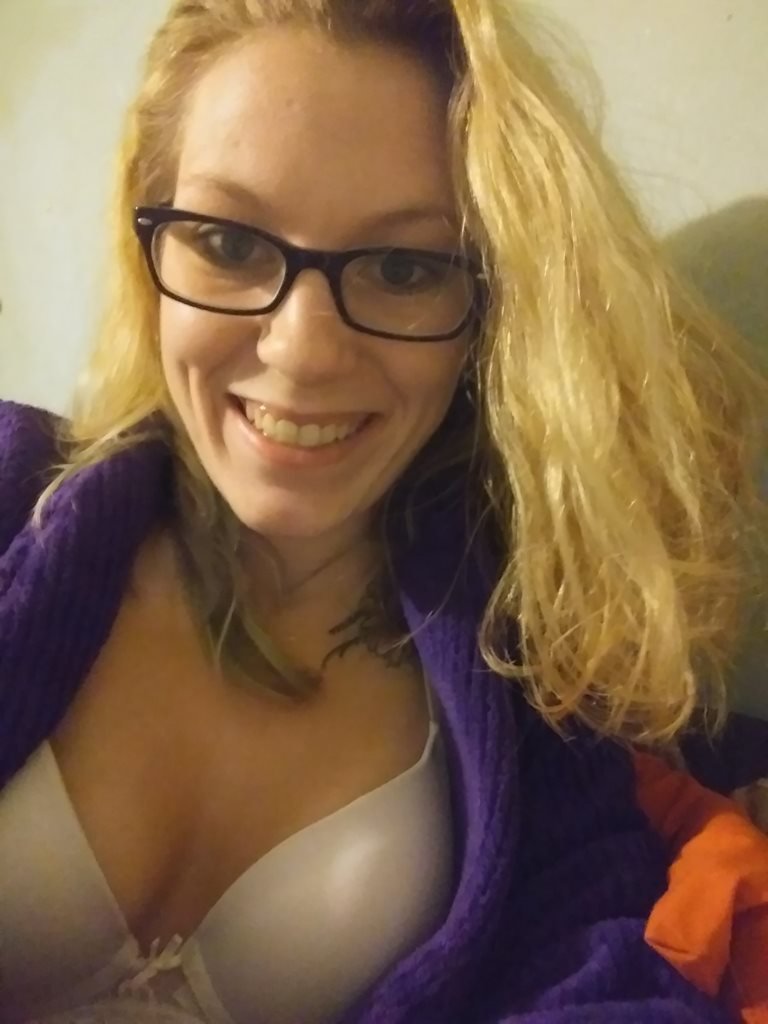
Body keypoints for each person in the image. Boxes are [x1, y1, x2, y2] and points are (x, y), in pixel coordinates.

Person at [0, 0, 766, 1021]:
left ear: (488, 309)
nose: (303, 350)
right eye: (228, 242)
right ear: (154, 251)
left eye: (404, 268)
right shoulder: (13, 494)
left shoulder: (531, 674)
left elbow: (590, 965)